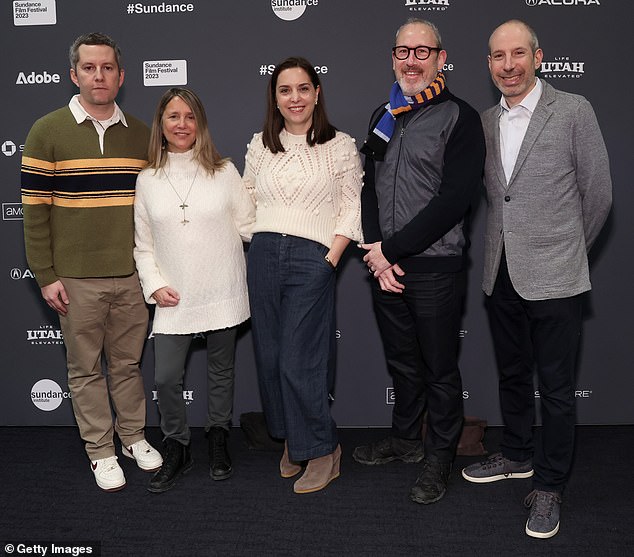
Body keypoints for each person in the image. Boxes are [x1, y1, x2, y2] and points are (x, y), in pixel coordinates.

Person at [461, 20, 612, 539]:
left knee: (557, 387)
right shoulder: (483, 122)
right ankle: (519, 454)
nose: (508, 65)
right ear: (488, 64)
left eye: (518, 54)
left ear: (538, 57)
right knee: (511, 375)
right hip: (499, 272)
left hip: (557, 276)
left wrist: (567, 252)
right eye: (498, 56)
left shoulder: (573, 111)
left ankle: (549, 484)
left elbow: (599, 196)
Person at [20, 32, 162, 492]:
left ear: (121, 77)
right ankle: (100, 450)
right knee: (84, 370)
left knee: (126, 365)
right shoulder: (46, 130)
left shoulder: (143, 134)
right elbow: (35, 211)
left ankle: (133, 436)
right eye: (88, 68)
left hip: (133, 274)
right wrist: (45, 275)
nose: (98, 76)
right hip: (75, 279)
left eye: (107, 68)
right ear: (73, 74)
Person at [355, 18, 485, 505]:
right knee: (402, 364)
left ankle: (440, 455)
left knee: (438, 368)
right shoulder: (381, 115)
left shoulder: (460, 117)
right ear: (393, 58)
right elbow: (367, 188)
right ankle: (406, 441)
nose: (412, 60)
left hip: (434, 266)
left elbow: (454, 201)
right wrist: (376, 253)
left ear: (441, 58)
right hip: (384, 265)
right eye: (403, 52)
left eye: (422, 52)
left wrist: (392, 250)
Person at [243, 56, 363, 494]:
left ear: (316, 93)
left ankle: (323, 449)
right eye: (284, 90)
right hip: (263, 254)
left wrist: (329, 259)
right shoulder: (260, 144)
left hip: (312, 256)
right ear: (274, 97)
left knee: (301, 359)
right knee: (271, 356)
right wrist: (254, 239)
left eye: (302, 89)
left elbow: (351, 207)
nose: (294, 98)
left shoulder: (340, 145)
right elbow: (246, 198)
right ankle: (295, 439)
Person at [134, 87, 255, 492]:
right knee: (167, 377)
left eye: (189, 116)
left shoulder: (225, 171)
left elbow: (249, 225)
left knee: (222, 371)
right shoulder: (147, 179)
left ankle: (219, 436)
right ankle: (178, 446)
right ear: (162, 124)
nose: (181, 124)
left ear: (200, 123)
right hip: (173, 295)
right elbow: (143, 245)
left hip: (222, 287)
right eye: (173, 116)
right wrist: (154, 285)